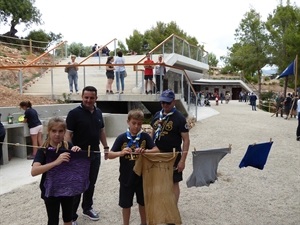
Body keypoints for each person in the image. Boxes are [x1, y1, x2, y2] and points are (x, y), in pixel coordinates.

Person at [65, 86, 109, 223]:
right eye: (86, 97)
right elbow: (67, 135)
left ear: (96, 98)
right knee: (77, 185)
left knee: (91, 183)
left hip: (95, 154)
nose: (88, 100)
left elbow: (101, 131)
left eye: (91, 98)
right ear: (82, 97)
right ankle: (71, 216)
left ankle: (87, 208)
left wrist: (106, 147)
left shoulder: (98, 112)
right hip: (79, 155)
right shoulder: (74, 113)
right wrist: (72, 148)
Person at [108, 109, 159, 225]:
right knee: (126, 204)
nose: (136, 126)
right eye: (134, 123)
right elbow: (109, 155)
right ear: (128, 122)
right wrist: (120, 153)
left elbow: (156, 150)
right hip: (126, 177)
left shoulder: (145, 137)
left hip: (142, 177)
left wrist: (145, 151)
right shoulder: (121, 138)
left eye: (139, 124)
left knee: (143, 202)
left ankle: (144, 223)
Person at [31, 117, 82, 225]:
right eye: (54, 131)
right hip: (51, 189)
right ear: (48, 131)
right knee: (53, 220)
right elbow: (34, 171)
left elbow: (77, 168)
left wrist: (77, 154)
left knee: (68, 219)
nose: (57, 134)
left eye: (60, 131)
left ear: (65, 132)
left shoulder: (68, 146)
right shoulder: (44, 149)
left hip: (67, 187)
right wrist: (55, 162)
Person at [151, 89, 190, 205]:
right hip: (158, 153)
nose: (165, 105)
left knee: (174, 182)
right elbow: (152, 132)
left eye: (167, 103)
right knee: (159, 180)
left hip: (173, 154)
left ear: (173, 102)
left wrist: (182, 161)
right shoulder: (158, 114)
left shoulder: (180, 118)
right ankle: (161, 205)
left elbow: (186, 140)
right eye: (162, 102)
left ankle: (173, 208)